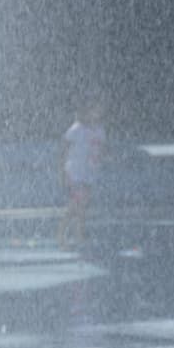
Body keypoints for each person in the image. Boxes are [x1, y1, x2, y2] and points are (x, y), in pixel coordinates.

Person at [58, 103, 106, 250]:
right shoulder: (77, 129)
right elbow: (64, 148)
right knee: (76, 204)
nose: (96, 113)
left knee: (82, 205)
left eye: (98, 110)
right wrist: (62, 171)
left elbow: (101, 149)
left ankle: (77, 235)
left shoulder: (99, 130)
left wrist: (99, 161)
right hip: (75, 172)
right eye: (93, 109)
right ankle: (62, 235)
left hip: (89, 172)